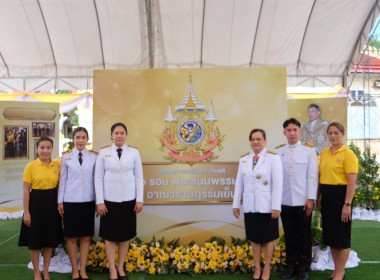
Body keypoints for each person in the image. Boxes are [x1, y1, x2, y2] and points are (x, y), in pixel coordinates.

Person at [95, 122, 144, 280]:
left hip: (129, 200)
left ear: (126, 135)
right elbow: (98, 178)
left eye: (122, 133)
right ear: (111, 135)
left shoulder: (134, 152)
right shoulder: (103, 153)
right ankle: (112, 269)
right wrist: (100, 201)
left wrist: (139, 200)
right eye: (116, 133)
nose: (119, 136)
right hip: (109, 201)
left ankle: (121, 267)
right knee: (109, 236)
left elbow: (139, 177)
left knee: (125, 236)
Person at [232, 129, 283, 280]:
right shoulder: (244, 160)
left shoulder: (273, 158)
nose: (256, 142)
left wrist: (276, 206)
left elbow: (278, 184)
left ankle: (267, 268)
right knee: (254, 239)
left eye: (259, 139)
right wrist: (236, 204)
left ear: (265, 141)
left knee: (268, 240)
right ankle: (257, 268)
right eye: (253, 139)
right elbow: (239, 184)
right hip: (250, 206)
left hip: (268, 207)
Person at [276, 118, 318, 280]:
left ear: (300, 131)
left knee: (304, 235)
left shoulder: (309, 150)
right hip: (285, 201)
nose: (292, 133)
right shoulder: (278, 152)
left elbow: (312, 177)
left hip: (303, 202)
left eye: (295, 129)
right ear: (284, 132)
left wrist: (311, 199)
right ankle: (291, 266)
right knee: (290, 235)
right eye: (289, 130)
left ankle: (304, 267)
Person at [316, 122, 358, 280]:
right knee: (331, 236)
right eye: (330, 133)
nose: (333, 136)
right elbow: (320, 178)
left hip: (342, 197)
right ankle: (336, 270)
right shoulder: (325, 153)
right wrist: (318, 197)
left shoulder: (348, 154)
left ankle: (340, 272)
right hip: (327, 197)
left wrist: (347, 204)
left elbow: (352, 182)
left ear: (343, 134)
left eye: (336, 133)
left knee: (342, 236)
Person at [18, 137, 63, 280]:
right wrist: (26, 212)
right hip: (35, 205)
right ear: (37, 149)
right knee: (35, 241)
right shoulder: (30, 166)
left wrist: (59, 205)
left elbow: (58, 188)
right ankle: (37, 271)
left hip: (52, 205)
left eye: (48, 147)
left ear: (52, 149)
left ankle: (46, 270)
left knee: (50, 240)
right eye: (42, 147)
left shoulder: (57, 165)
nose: (45, 151)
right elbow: (26, 191)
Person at [58, 127, 98, 280]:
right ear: (73, 139)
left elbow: (96, 180)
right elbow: (63, 181)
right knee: (72, 237)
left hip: (88, 201)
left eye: (83, 137)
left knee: (86, 237)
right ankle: (75, 270)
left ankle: (83, 270)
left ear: (87, 139)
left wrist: (97, 200)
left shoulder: (94, 157)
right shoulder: (66, 157)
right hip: (70, 201)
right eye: (78, 137)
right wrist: (59, 201)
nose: (80, 140)